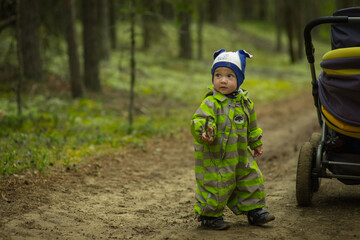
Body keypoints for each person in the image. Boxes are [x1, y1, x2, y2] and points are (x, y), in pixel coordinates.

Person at [190, 49, 275, 230]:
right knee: (215, 183)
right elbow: (199, 120)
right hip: (215, 156)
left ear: (239, 80)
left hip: (240, 153)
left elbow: (252, 126)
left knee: (250, 177)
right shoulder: (211, 102)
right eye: (218, 75)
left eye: (230, 76)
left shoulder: (245, 103)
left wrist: (256, 142)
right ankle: (209, 215)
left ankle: (254, 210)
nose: (223, 80)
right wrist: (205, 131)